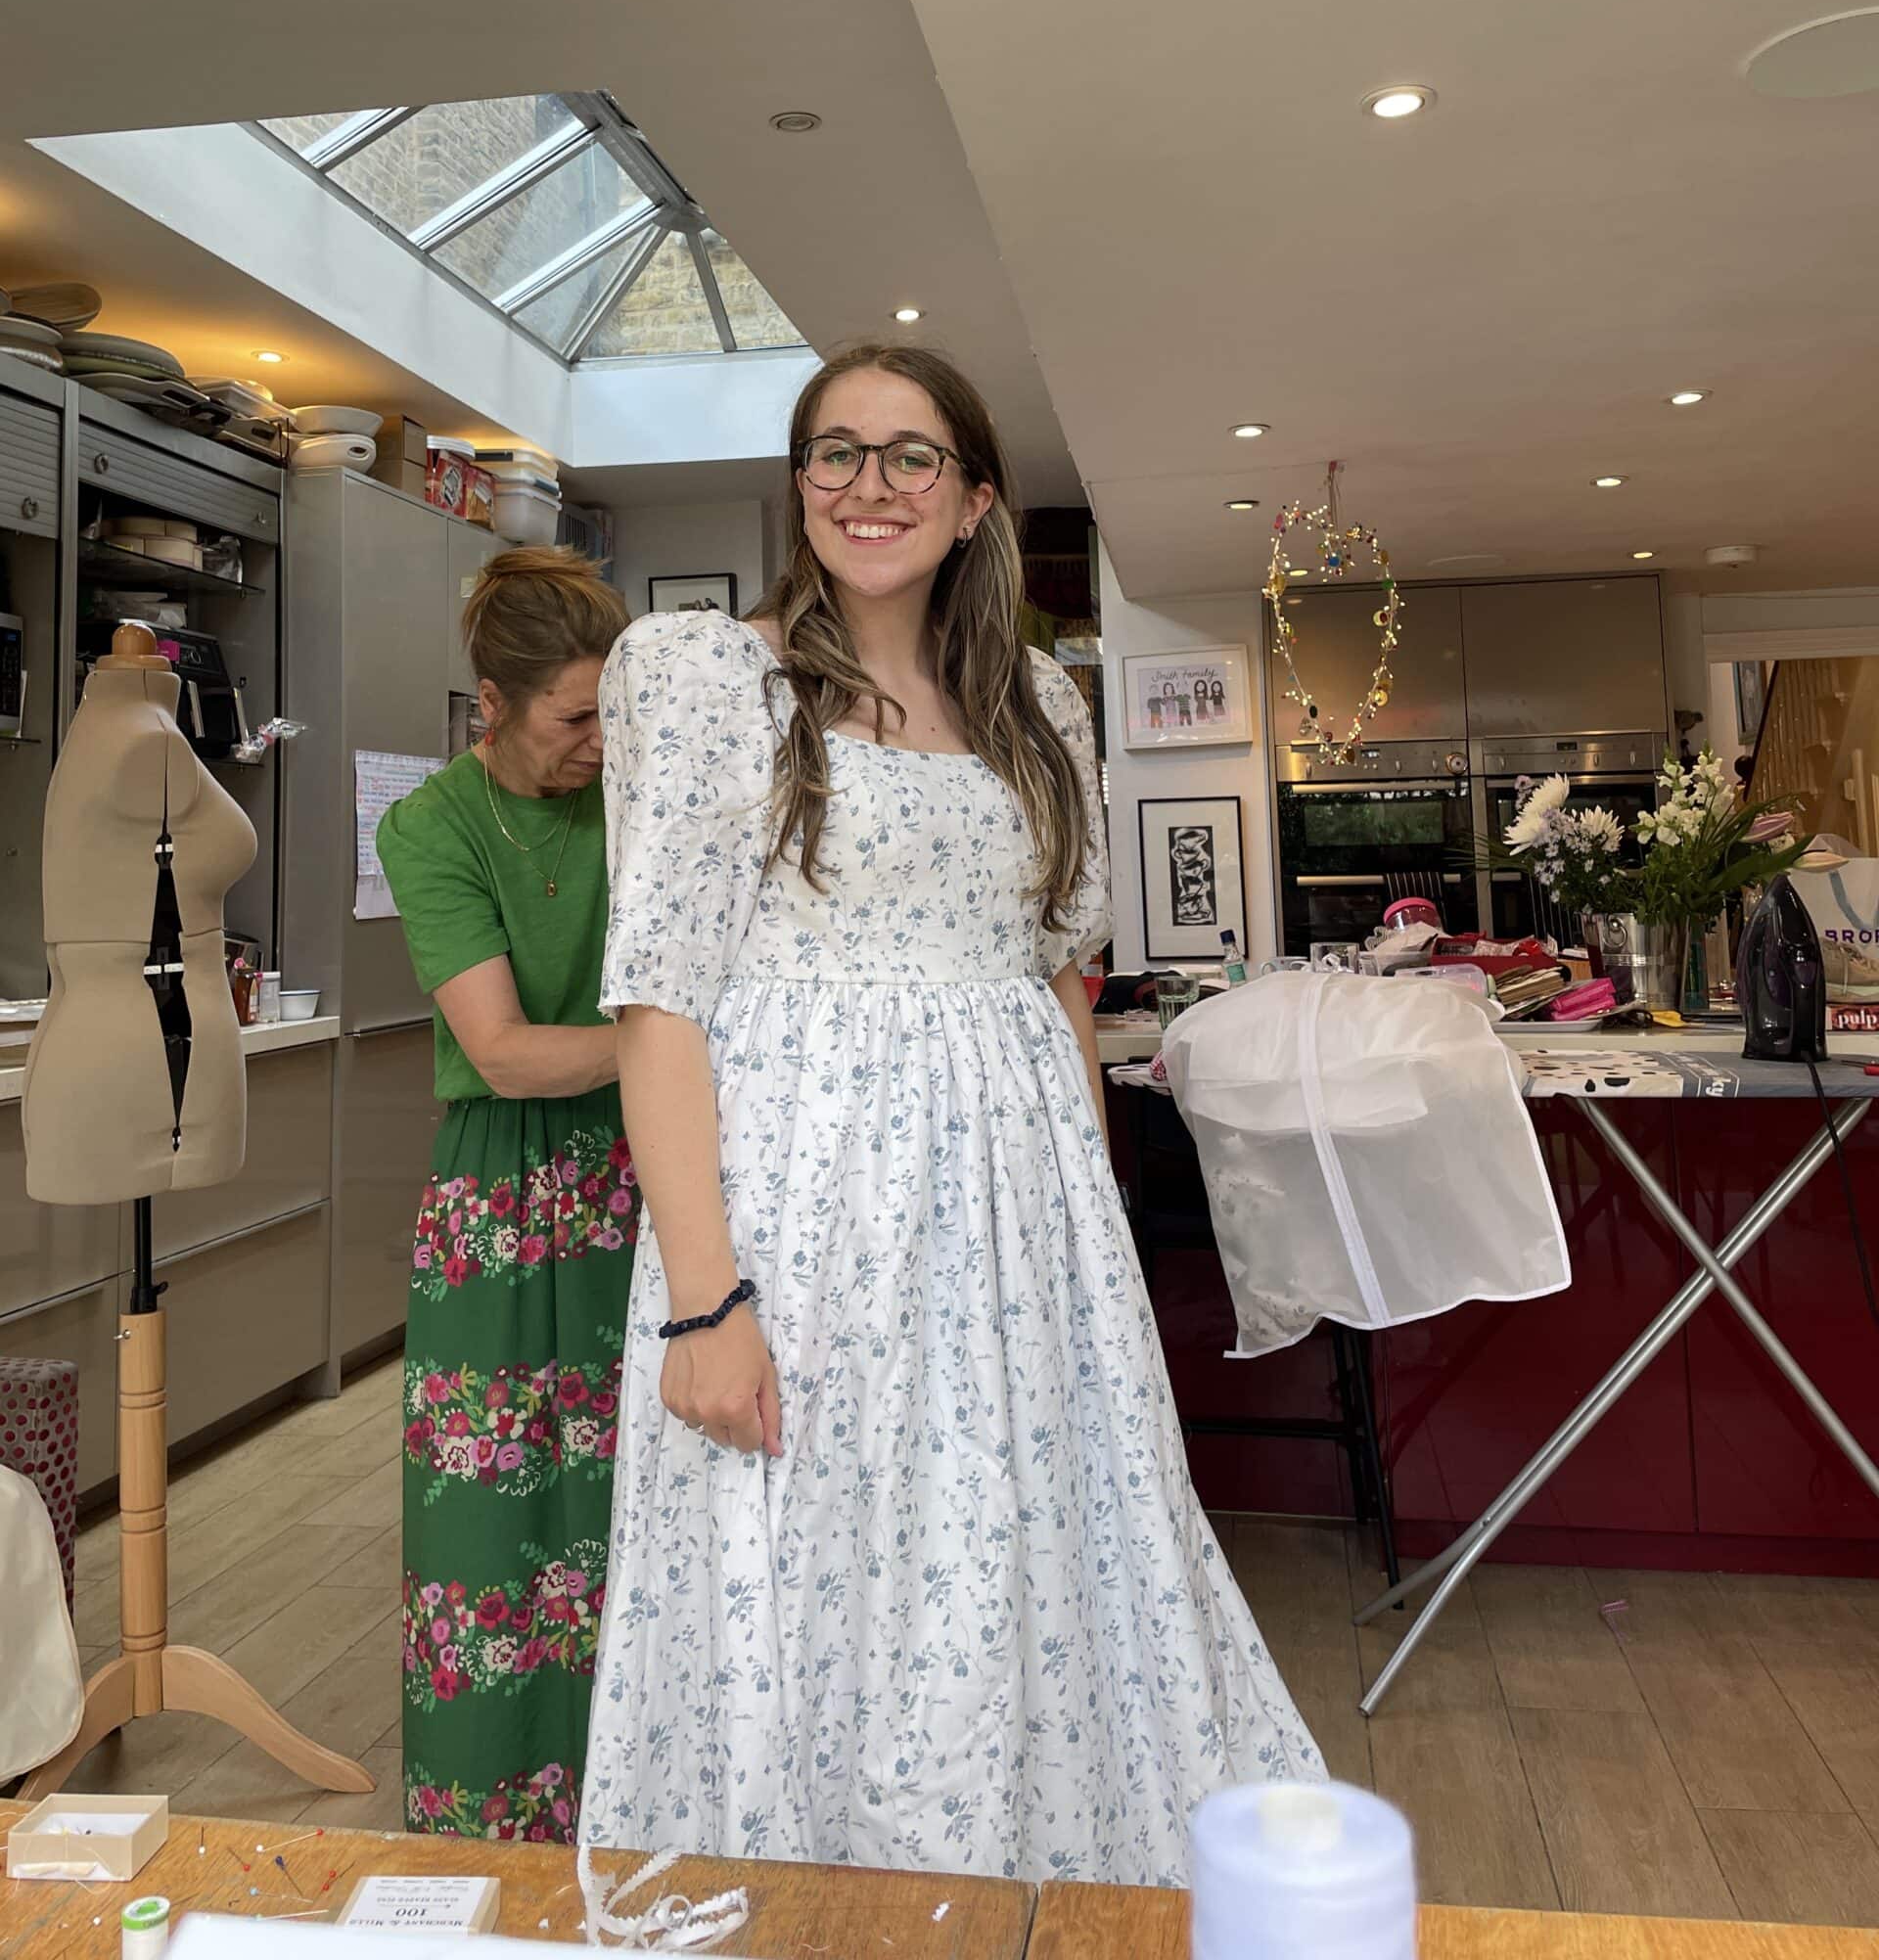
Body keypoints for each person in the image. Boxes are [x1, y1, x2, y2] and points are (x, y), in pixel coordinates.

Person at [581, 344, 1322, 1887]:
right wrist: (706, 1298)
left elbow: (1062, 982)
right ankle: (827, 1905)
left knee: (1014, 1566)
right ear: (800, 485)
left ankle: (1015, 1897)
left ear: (976, 499)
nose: (871, 486)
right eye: (836, 453)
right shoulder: (712, 674)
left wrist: (1094, 1243)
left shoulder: (1041, 698)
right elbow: (660, 1007)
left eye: (912, 456)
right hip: (806, 1208)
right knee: (827, 1566)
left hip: (1016, 1229)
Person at [377, 548, 634, 1844]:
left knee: (647, 1510)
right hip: (510, 1206)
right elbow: (505, 1053)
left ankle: (651, 1812)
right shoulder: (433, 826)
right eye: (575, 717)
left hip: (660, 1182)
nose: (600, 743)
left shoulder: (644, 794)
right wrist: (676, 1049)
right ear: (493, 701)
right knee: (497, 1526)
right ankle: (498, 1839)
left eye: (615, 713)